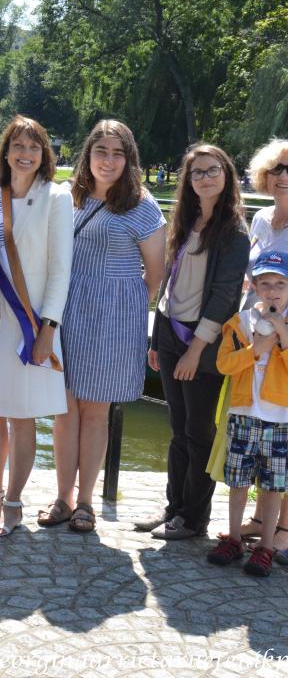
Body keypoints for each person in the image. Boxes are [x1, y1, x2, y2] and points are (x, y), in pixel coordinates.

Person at [39, 120, 166, 533]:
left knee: (95, 410)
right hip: (67, 308)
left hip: (113, 315)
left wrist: (123, 307)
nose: (108, 160)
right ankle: (62, 496)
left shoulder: (141, 205)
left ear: (129, 159)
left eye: (117, 153)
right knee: (63, 407)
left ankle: (86, 502)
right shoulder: (68, 197)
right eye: (101, 151)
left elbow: (156, 274)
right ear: (87, 154)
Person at [0, 116, 72, 537]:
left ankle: (13, 503)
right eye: (18, 146)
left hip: (33, 323)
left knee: (22, 417)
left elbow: (62, 270)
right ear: (5, 152)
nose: (25, 154)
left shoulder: (56, 197)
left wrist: (49, 327)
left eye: (34, 147)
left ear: (44, 154)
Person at [138, 144, 248, 540]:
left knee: (199, 430)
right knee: (178, 427)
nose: (204, 178)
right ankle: (174, 508)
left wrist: (196, 350)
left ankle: (194, 517)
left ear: (226, 174)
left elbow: (225, 296)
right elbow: (169, 278)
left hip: (203, 343)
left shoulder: (233, 231)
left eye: (212, 170)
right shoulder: (184, 220)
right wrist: (156, 339)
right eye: (197, 172)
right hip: (170, 332)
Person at [210, 139, 288, 557]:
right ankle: (254, 524)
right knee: (248, 438)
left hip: (284, 343)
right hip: (252, 338)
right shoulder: (259, 219)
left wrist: (279, 333)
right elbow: (248, 275)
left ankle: (282, 531)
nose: (284, 177)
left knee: (280, 452)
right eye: (278, 169)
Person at [207, 250, 288, 577]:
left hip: (280, 420)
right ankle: (234, 538)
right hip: (243, 415)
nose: (272, 290)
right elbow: (223, 364)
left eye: (280, 283)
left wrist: (281, 335)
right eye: (265, 282)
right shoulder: (240, 323)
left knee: (272, 486)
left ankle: (266, 546)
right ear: (254, 287)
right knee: (238, 481)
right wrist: (255, 350)